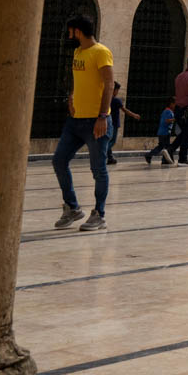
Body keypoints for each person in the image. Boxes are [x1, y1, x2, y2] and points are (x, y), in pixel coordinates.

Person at [52, 13, 114, 232]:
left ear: (77, 31)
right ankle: (72, 207)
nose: (69, 35)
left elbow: (109, 84)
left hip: (95, 121)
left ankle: (99, 214)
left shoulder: (101, 52)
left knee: (98, 169)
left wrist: (102, 117)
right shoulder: (78, 51)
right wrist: (71, 96)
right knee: (59, 160)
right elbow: (79, 80)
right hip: (75, 120)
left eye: (70, 31)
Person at [106, 81, 140, 163]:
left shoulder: (106, 99)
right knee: (112, 141)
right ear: (114, 90)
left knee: (108, 141)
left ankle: (110, 158)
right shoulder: (116, 100)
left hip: (106, 122)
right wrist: (134, 115)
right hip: (113, 123)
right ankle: (101, 154)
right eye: (117, 90)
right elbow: (125, 110)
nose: (117, 92)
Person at [144, 95, 177, 167]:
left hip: (164, 132)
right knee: (164, 147)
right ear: (171, 103)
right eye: (175, 104)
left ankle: (162, 160)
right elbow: (167, 121)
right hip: (164, 133)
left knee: (164, 147)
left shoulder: (168, 111)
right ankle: (149, 155)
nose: (176, 106)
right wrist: (175, 119)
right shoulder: (168, 111)